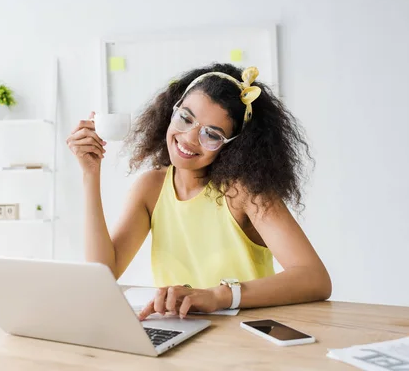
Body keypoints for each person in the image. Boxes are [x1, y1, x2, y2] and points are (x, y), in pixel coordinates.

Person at [66, 63, 331, 320]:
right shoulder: (151, 188)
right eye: (185, 118)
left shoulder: (244, 193)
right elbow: (102, 274)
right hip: (181, 331)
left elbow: (315, 278)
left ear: (234, 145)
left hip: (246, 336)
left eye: (212, 134)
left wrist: (218, 297)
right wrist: (90, 173)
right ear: (173, 108)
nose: (190, 138)